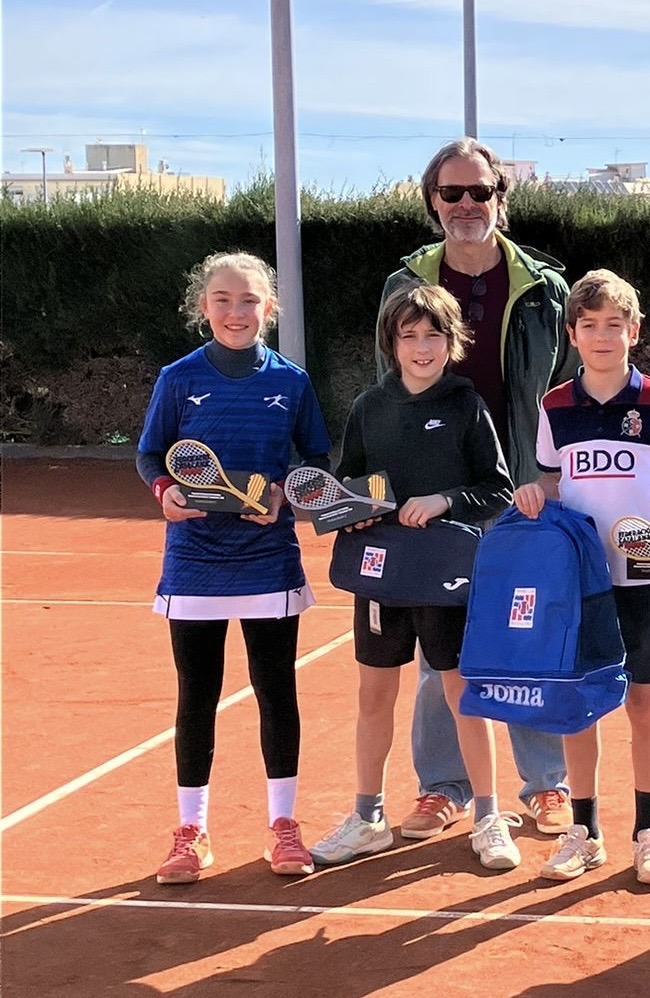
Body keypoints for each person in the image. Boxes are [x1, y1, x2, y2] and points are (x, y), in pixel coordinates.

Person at [376, 138, 578, 842]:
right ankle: (444, 785)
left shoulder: (545, 288)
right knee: (442, 648)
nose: (467, 204)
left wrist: (549, 474)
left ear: (500, 198)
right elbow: (389, 391)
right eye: (452, 192)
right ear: (433, 201)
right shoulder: (404, 284)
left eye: (480, 191)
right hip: (437, 499)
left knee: (530, 631)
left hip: (522, 489)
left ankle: (546, 783)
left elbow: (565, 391)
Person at [136, 251, 332, 884]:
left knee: (277, 692)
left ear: (268, 309)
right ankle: (190, 832)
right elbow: (150, 455)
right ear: (204, 308)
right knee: (197, 695)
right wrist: (166, 491)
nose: (236, 311)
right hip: (194, 563)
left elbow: (315, 459)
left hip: (268, 561)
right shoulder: (177, 378)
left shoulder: (292, 382)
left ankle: (284, 825)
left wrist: (282, 492)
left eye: (249, 300)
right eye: (222, 299)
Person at [513, 269, 650, 886]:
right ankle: (585, 831)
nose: (603, 336)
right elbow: (551, 482)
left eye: (614, 324)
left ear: (634, 330)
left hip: (643, 576)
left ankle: (648, 832)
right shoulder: (554, 405)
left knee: (645, 702)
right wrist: (534, 494)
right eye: (590, 325)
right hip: (579, 581)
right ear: (572, 334)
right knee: (581, 704)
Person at [313, 283, 519, 869]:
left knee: (461, 694)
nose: (422, 348)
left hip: (447, 577)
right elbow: (350, 486)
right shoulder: (368, 408)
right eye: (410, 336)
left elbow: (497, 489)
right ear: (392, 344)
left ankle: (487, 816)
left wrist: (444, 500)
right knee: (374, 696)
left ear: (452, 343)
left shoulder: (466, 406)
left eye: (434, 336)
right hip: (381, 577)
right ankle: (368, 818)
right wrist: (351, 514)